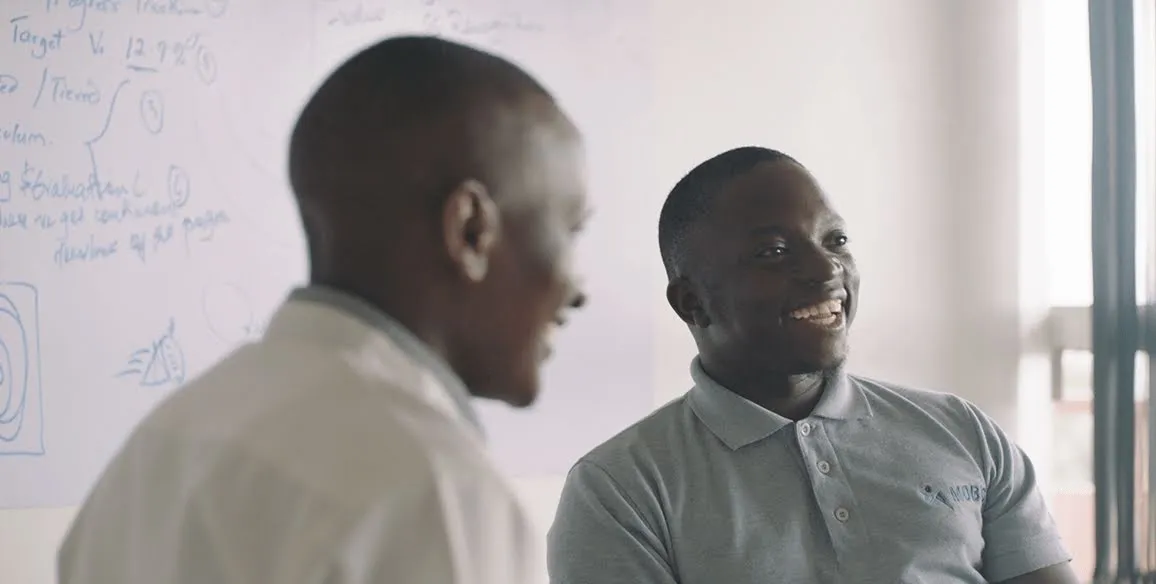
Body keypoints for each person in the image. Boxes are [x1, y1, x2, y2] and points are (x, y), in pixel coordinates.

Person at [58, 35, 590, 584]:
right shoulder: (429, 488)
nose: (579, 289)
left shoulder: (160, 450)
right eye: (571, 229)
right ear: (471, 230)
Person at [547, 146, 1077, 584]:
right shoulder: (619, 489)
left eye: (836, 241)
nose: (827, 268)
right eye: (774, 252)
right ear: (692, 302)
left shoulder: (963, 432)